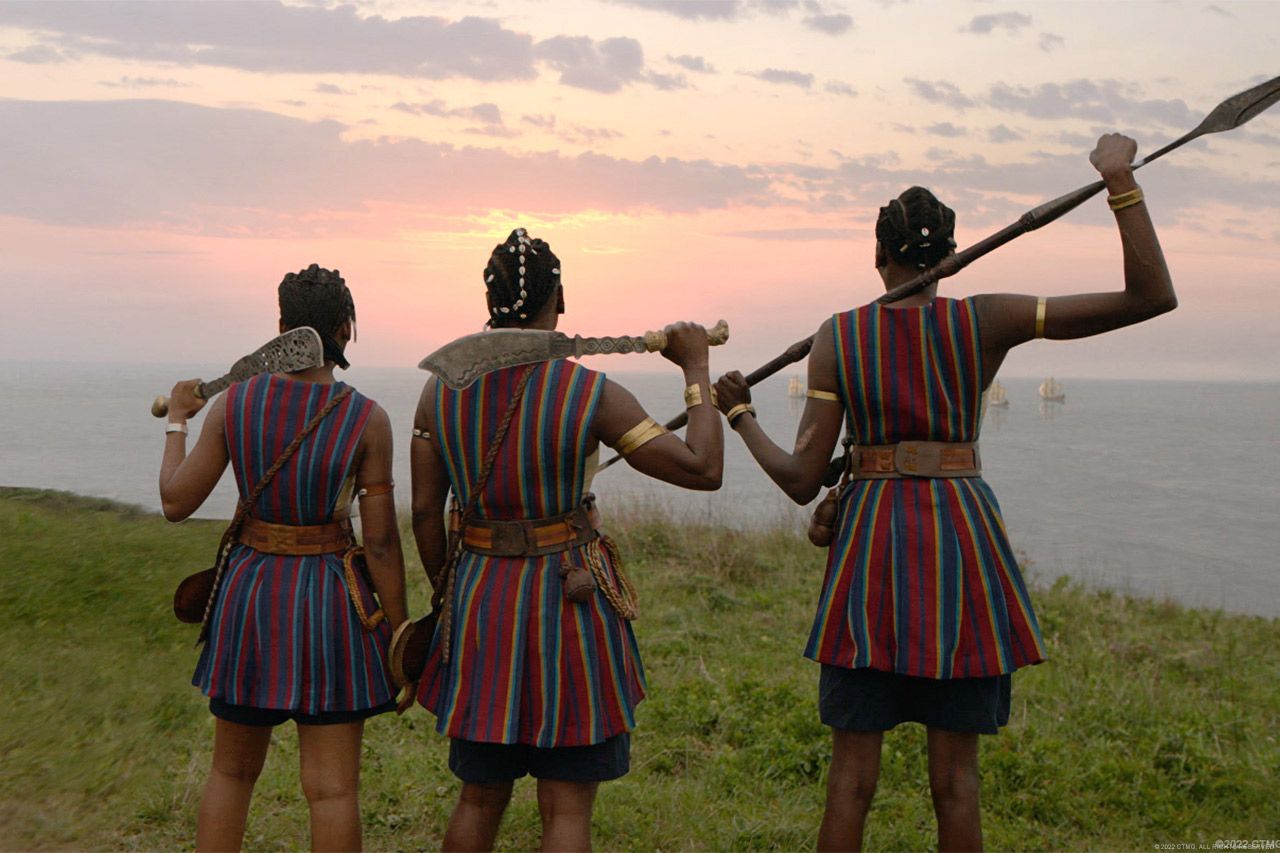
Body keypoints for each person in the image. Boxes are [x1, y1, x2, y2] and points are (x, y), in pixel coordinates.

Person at [713, 133, 1176, 851]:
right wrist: (1120, 182)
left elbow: (803, 479)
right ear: (950, 256)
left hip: (870, 559)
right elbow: (1151, 296)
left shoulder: (839, 336)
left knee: (850, 784)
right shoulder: (986, 319)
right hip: (962, 552)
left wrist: (740, 414)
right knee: (957, 784)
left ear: (879, 256)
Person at [410, 228, 723, 852]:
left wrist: (451, 588)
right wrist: (696, 369)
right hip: (569, 601)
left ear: (491, 300)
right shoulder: (590, 393)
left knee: (478, 797)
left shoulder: (439, 390)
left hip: (479, 603)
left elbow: (423, 511)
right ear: (560, 298)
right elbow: (702, 468)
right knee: (566, 810)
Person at [158, 264, 412, 851]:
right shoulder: (367, 418)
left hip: (250, 595)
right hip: (331, 604)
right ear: (346, 329)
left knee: (231, 773)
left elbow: (175, 502)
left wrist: (175, 421)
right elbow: (379, 543)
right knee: (332, 792)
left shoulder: (233, 405)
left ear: (279, 327)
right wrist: (399, 637)